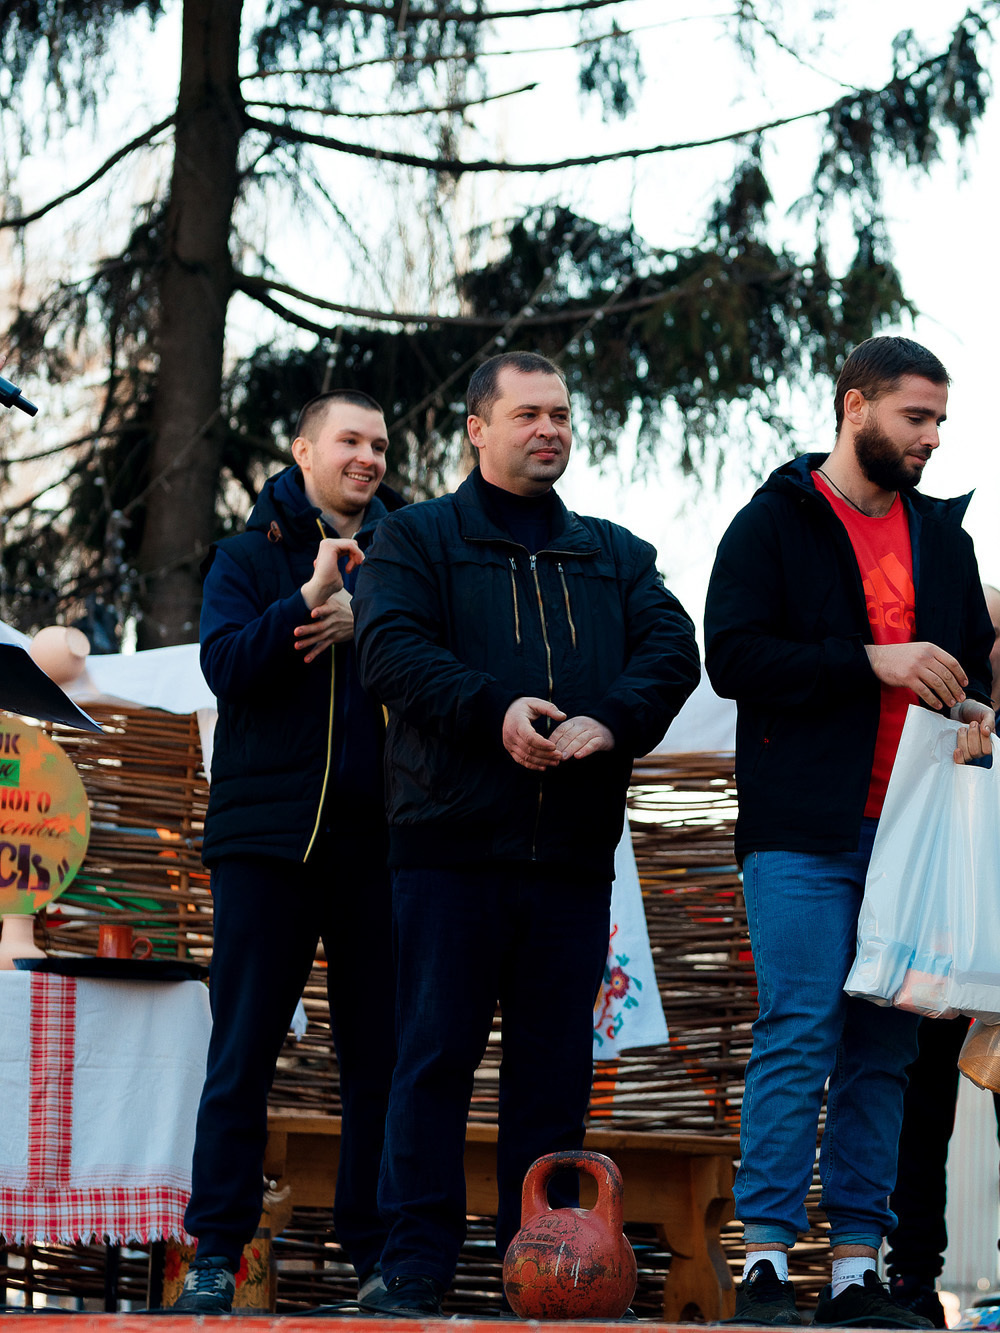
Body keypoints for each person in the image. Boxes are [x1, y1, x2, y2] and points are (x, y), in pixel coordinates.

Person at [353, 351, 700, 1313]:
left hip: (572, 863)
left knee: (553, 1075)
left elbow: (676, 647)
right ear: (477, 427)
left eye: (559, 414)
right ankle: (414, 1264)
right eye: (527, 414)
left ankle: (539, 1266)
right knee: (431, 1059)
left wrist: (615, 719)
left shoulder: (614, 551)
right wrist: (494, 709)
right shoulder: (415, 540)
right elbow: (390, 652)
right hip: (448, 853)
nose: (548, 428)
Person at [705, 334, 996, 1328]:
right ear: (854, 405)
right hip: (801, 830)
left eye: (938, 424)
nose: (929, 441)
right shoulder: (774, 521)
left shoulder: (944, 539)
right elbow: (733, 655)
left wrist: (978, 711)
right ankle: (767, 1264)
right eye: (915, 418)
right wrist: (869, 661)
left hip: (913, 834)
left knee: (883, 1052)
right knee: (799, 1028)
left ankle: (854, 1272)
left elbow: (970, 671)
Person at [172, 392, 403, 1312]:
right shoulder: (246, 555)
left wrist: (370, 621)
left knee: (378, 1058)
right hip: (266, 843)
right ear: (305, 450)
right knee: (242, 1049)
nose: (368, 456)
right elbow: (224, 665)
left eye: (380, 443)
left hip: (381, 845)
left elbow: (441, 669)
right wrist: (309, 599)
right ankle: (217, 1253)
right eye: (350, 439)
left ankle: (378, 1255)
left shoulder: (410, 553)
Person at [886, 584, 1000, 1331]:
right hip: (936, 942)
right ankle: (912, 1278)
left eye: (985, 633)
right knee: (920, 1121)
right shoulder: (921, 707)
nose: (972, 646)